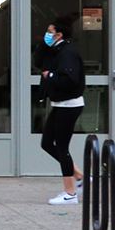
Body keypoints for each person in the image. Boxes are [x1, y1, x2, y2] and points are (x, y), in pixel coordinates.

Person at [36, 17, 86, 205]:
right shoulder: (56, 50)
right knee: (47, 143)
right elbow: (40, 62)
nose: (47, 34)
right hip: (60, 104)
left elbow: (70, 80)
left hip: (69, 105)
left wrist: (51, 76)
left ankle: (70, 193)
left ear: (59, 34)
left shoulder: (67, 53)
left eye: (50, 32)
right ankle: (81, 177)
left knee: (62, 148)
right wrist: (44, 45)